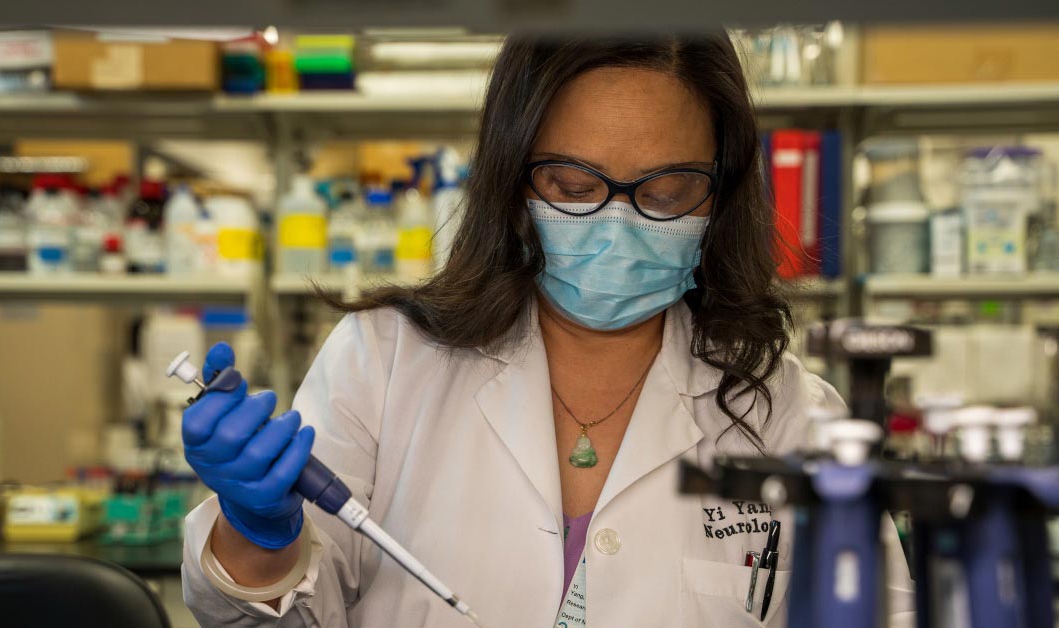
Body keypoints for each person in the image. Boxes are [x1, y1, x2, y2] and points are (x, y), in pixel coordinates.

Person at [181, 32, 915, 628]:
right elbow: (269, 619)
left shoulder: (791, 416)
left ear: (722, 194)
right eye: (573, 185)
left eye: (667, 191)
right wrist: (259, 537)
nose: (618, 221)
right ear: (512, 178)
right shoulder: (384, 362)